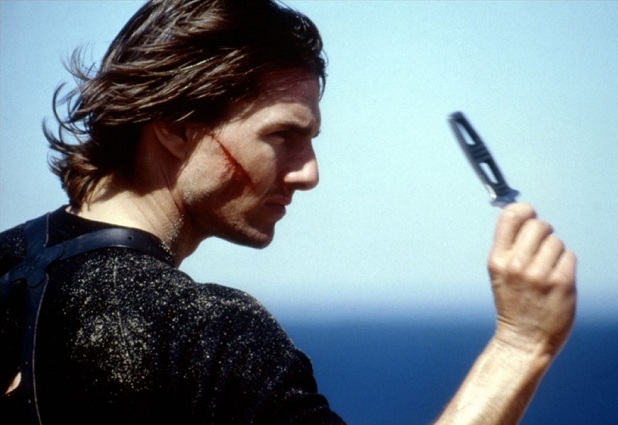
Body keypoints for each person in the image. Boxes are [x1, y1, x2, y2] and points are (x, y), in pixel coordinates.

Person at [0, 0, 576, 423]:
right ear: (175, 128)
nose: (309, 173)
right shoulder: (206, 334)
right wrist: (519, 345)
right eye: (284, 136)